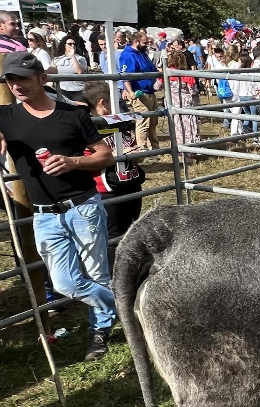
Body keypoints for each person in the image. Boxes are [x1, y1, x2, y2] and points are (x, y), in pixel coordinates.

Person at [0, 52, 117, 360]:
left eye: (23, 79)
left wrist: (73, 161)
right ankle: (128, 306)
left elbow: (105, 156)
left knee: (96, 274)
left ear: (43, 79)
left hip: (82, 206)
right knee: (66, 283)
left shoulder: (73, 114)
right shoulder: (6, 118)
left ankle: (99, 333)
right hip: (44, 215)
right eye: (11, 81)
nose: (17, 86)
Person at [81, 81, 145, 264]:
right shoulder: (88, 126)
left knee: (133, 229)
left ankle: (132, 267)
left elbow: (133, 146)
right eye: (115, 100)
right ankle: (115, 274)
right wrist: (116, 156)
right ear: (103, 103)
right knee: (114, 236)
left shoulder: (123, 120)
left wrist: (136, 153)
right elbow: (88, 159)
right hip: (108, 189)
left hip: (131, 183)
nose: (121, 104)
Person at [118, 31, 160, 152]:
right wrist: (130, 92)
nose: (147, 44)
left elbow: (151, 68)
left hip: (150, 91)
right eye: (144, 42)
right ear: (136, 42)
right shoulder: (128, 55)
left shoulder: (142, 53)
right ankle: (141, 147)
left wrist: (158, 76)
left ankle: (155, 147)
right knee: (143, 118)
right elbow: (125, 75)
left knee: (153, 120)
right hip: (139, 92)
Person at [52, 35, 88, 102]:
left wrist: (72, 56)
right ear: (64, 45)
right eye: (70, 44)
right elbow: (53, 72)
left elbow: (79, 72)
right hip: (62, 91)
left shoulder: (80, 58)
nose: (72, 45)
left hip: (78, 91)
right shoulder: (58, 59)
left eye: (74, 44)